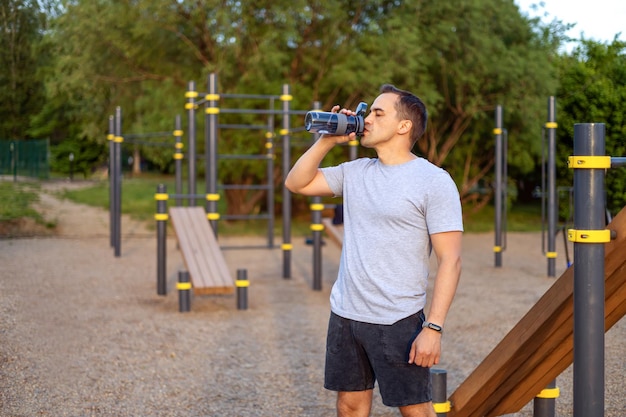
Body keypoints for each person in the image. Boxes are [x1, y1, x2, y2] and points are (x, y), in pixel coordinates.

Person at [285, 84, 463, 417]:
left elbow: (450, 260)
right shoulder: (356, 173)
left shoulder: (433, 181)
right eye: (369, 112)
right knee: (350, 406)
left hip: (397, 319)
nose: (367, 119)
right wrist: (326, 140)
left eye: (378, 113)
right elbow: (296, 183)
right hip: (346, 315)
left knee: (415, 410)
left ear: (404, 126)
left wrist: (433, 328)